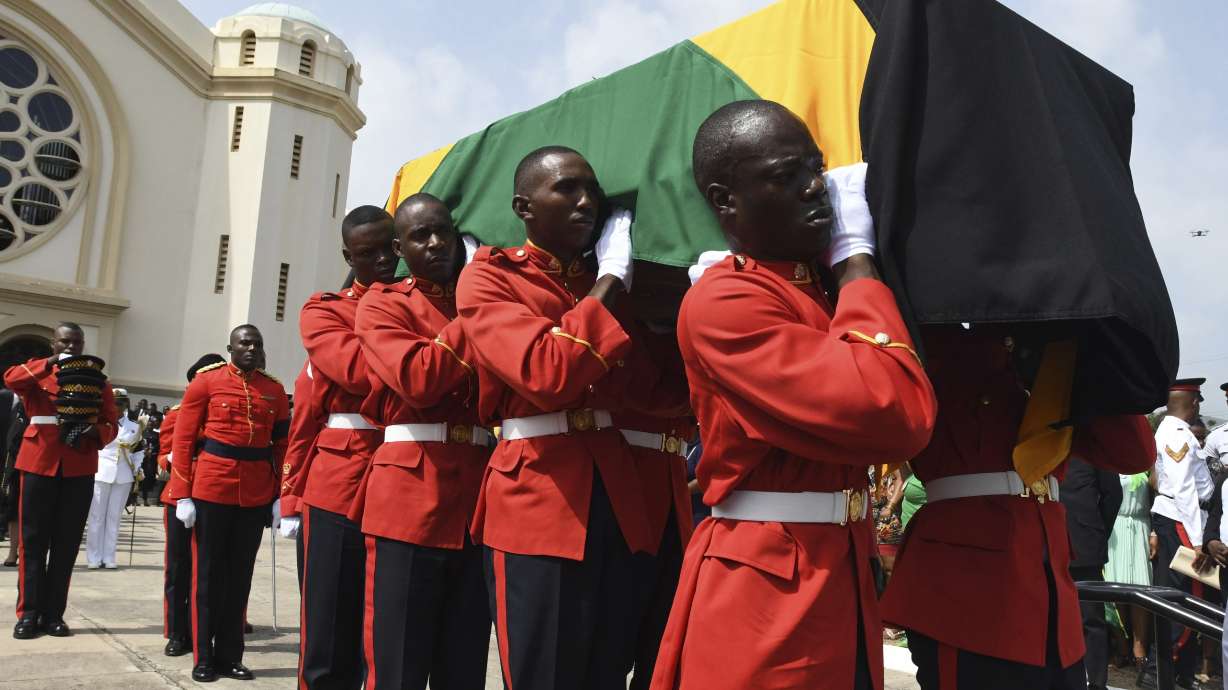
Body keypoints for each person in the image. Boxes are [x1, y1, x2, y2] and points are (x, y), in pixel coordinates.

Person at [649, 100, 938, 690]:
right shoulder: (724, 301)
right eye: (786, 176)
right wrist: (857, 260)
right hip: (770, 587)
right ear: (725, 200)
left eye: (817, 167)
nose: (815, 188)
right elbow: (895, 414)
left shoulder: (818, 295)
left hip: (841, 570)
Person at [456, 145, 662, 689]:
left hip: (615, 495)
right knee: (545, 673)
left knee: (603, 672)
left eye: (592, 189)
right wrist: (611, 282)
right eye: (566, 188)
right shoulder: (489, 279)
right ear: (525, 206)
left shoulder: (595, 282)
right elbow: (546, 374)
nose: (586, 201)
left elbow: (649, 391)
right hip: (538, 497)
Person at [352, 194, 491, 689]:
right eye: (420, 235)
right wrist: (479, 308)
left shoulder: (479, 296)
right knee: (400, 665)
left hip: (477, 496)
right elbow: (419, 378)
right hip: (410, 498)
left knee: (464, 665)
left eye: (443, 232)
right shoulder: (383, 303)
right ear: (399, 247)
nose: (435, 243)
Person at [278, 205, 397, 690]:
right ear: (350, 256)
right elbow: (310, 414)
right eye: (369, 254)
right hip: (339, 480)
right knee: (328, 627)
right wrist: (291, 496)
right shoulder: (326, 310)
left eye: (391, 247)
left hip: (404, 475)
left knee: (383, 630)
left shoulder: (424, 304)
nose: (386, 261)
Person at [166, 325, 289, 682]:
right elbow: (184, 442)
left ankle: (230, 655)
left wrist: (281, 494)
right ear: (230, 348)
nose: (251, 348)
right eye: (244, 343)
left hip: (254, 492)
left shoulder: (275, 390)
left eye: (257, 344)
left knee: (240, 578)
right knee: (207, 576)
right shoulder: (206, 382)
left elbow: (281, 445)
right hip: (212, 488)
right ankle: (204, 657)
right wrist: (182, 494)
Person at [5, 323, 119, 639]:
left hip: (78, 463)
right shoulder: (36, 373)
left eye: (77, 342)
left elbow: (111, 422)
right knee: (33, 542)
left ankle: (54, 613)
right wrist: (51, 364)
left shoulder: (97, 380)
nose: (71, 346)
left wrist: (95, 432)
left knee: (66, 545)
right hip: (39, 461)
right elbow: (11, 378)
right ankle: (28, 613)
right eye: (65, 341)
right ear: (53, 343)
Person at [1147, 378, 1216, 688]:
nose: (1199, 405)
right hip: (1183, 521)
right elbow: (1185, 490)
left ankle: (1180, 673)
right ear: (1193, 402)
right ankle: (1156, 671)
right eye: (1198, 400)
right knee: (1186, 598)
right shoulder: (1177, 434)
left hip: (1179, 517)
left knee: (1181, 598)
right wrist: (1199, 542)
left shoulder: (1171, 431)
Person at [159, 353, 225, 657]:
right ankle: (176, 631)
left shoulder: (223, 415)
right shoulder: (177, 413)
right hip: (179, 495)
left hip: (214, 492)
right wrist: (172, 458)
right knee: (178, 566)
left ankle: (212, 626)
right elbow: (162, 456)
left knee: (214, 566)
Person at [1059, 457, 1123, 690]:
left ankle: (1095, 682)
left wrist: (1096, 531)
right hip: (1044, 540)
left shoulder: (1091, 446)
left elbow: (1113, 494)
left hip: (1082, 542)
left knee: (1090, 618)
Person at [86, 388, 144, 569]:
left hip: (124, 474)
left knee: (114, 518)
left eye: (120, 403)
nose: (117, 407)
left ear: (125, 405)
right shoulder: (100, 422)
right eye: (113, 403)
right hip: (101, 472)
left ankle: (109, 556)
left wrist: (137, 469)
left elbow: (138, 450)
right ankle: (93, 557)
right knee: (96, 517)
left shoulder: (134, 426)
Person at [1106, 468, 1154, 668]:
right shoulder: (1108, 464)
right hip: (1116, 527)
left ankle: (1139, 645)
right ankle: (1121, 644)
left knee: (1141, 589)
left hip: (1141, 527)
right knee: (1115, 590)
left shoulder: (1146, 464)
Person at [0, 386, 25, 566]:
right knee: (12, 508)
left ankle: (25, 551)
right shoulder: (6, 399)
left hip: (33, 463)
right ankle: (12, 552)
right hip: (12, 461)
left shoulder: (43, 404)